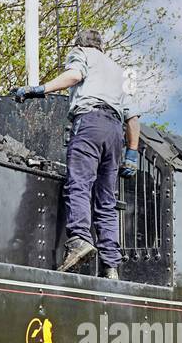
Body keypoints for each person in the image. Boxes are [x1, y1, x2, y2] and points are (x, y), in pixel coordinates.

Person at [13, 29, 140, 280]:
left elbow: (74, 75)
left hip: (90, 122)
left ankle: (79, 240)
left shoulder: (82, 54)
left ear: (81, 44)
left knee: (79, 185)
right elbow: (132, 117)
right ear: (101, 45)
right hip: (115, 133)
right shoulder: (120, 71)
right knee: (106, 201)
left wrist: (39, 89)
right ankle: (110, 266)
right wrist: (132, 153)